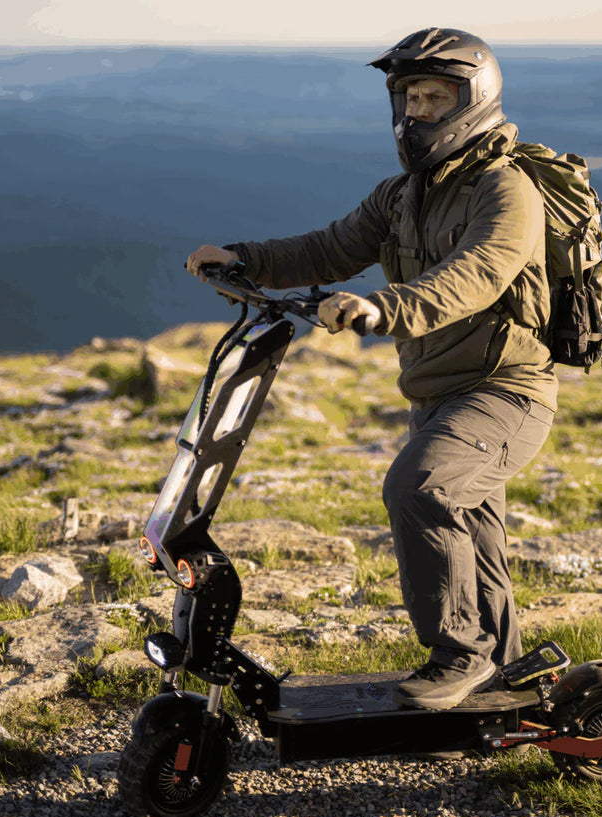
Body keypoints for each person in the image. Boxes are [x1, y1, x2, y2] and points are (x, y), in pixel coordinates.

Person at [186, 27, 556, 711]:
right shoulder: (401, 195)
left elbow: (475, 275)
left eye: (434, 97)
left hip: (505, 392)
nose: (418, 112)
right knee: (472, 536)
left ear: (472, 100)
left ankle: (461, 657)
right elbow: (329, 248)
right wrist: (243, 259)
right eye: (410, 96)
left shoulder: (508, 192)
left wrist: (383, 308)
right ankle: (503, 687)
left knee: (420, 490)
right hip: (436, 394)